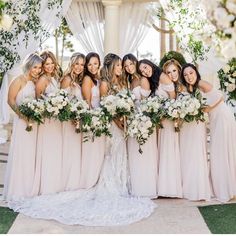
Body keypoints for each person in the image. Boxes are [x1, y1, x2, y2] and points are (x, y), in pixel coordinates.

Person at [8, 53, 156, 227]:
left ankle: (113, 183)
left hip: (87, 122)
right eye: (86, 64)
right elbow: (82, 102)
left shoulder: (98, 80)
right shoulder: (79, 80)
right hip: (62, 123)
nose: (86, 67)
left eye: (92, 64)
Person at [182, 63, 236, 202]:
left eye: (191, 73)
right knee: (218, 151)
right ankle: (223, 187)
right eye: (186, 75)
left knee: (221, 151)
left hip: (222, 117)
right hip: (216, 120)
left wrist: (207, 109)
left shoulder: (202, 83)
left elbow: (220, 97)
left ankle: (226, 189)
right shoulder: (193, 87)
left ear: (196, 73)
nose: (189, 76)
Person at [139, 59, 183, 198]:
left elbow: (173, 98)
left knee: (168, 151)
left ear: (151, 64)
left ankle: (170, 188)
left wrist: (165, 114)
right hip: (161, 122)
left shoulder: (163, 76)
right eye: (142, 71)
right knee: (164, 151)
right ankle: (164, 186)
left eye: (145, 67)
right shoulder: (154, 80)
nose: (145, 71)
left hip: (168, 121)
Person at [3, 53, 43, 201]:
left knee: (31, 155)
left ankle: (29, 188)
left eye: (39, 68)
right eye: (35, 67)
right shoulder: (18, 80)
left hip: (34, 123)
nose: (37, 70)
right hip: (22, 123)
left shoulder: (35, 82)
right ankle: (17, 190)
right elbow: (10, 100)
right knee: (21, 154)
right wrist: (23, 116)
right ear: (28, 65)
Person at [123, 56, 158, 198]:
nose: (129, 67)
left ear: (136, 63)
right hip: (132, 121)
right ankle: (136, 187)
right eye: (126, 66)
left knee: (144, 153)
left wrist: (141, 122)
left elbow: (146, 104)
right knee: (134, 154)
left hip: (143, 121)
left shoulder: (143, 80)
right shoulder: (129, 80)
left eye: (131, 64)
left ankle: (146, 188)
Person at [32, 50, 63, 195]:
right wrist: (50, 108)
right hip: (47, 122)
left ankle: (54, 183)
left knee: (55, 151)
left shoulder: (54, 78)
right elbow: (37, 101)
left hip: (55, 121)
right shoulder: (43, 79)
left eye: (52, 63)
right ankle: (46, 186)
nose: (50, 66)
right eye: (46, 64)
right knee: (48, 151)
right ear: (42, 65)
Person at [79, 52, 105, 189]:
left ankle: (96, 179)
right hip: (92, 120)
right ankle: (89, 181)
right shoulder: (87, 80)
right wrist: (93, 121)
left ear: (99, 63)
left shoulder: (99, 78)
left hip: (101, 118)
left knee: (100, 152)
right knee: (92, 151)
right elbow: (87, 103)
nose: (92, 66)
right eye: (89, 64)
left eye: (95, 63)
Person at [60, 52, 85, 191]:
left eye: (82, 64)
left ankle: (74, 182)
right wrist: (72, 116)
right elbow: (62, 103)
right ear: (72, 64)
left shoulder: (77, 79)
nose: (79, 67)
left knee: (75, 152)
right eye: (77, 64)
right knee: (70, 151)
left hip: (76, 121)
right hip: (69, 122)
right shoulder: (67, 79)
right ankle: (67, 183)